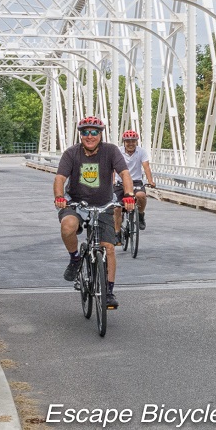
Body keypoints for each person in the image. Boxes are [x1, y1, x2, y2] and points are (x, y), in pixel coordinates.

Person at [54, 116, 135, 310]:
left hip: (104, 204)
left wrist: (129, 195)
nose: (89, 136)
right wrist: (59, 196)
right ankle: (74, 258)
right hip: (76, 203)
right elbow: (59, 178)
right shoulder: (71, 153)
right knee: (68, 227)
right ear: (80, 134)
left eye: (94, 132)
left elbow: (124, 173)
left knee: (108, 247)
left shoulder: (111, 151)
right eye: (85, 132)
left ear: (100, 134)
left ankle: (108, 291)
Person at [113, 129, 156, 241]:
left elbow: (146, 167)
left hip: (136, 182)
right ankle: (117, 233)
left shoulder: (141, 152)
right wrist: (111, 181)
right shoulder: (118, 151)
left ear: (136, 142)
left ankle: (141, 215)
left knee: (141, 195)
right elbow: (112, 168)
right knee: (116, 208)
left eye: (133, 141)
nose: (131, 143)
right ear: (124, 142)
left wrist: (150, 181)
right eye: (128, 141)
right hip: (120, 182)